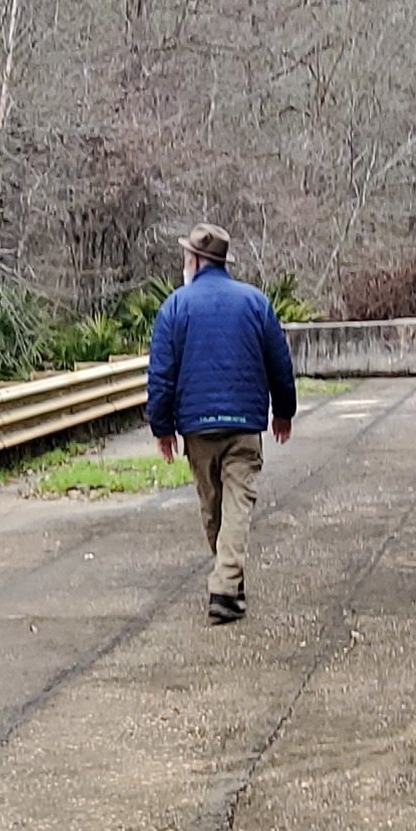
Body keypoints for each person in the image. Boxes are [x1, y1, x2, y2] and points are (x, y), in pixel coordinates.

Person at [145, 223, 295, 624]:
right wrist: (284, 411)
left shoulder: (175, 307)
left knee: (217, 508)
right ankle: (229, 581)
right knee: (231, 508)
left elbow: (161, 374)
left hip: (197, 428)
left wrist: (162, 428)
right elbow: (280, 362)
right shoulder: (255, 302)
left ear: (194, 261)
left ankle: (225, 588)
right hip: (245, 422)